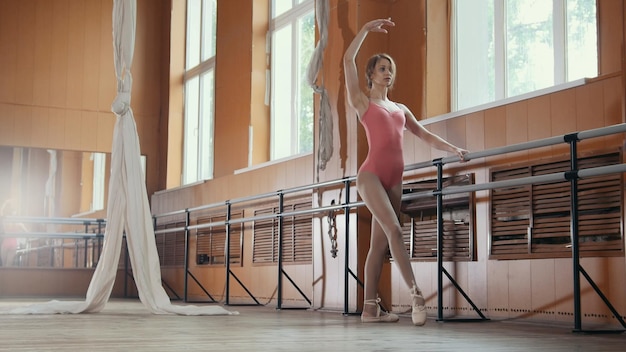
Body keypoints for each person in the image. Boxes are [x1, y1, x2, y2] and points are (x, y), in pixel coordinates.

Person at [343, 18, 468, 325]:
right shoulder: (363, 103)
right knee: (396, 230)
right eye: (383, 68)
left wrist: (453, 150)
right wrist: (365, 31)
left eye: (391, 69)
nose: (388, 73)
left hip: (394, 180)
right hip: (370, 175)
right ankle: (416, 295)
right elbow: (347, 59)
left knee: (379, 245)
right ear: (371, 74)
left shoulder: (400, 109)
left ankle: (370, 309)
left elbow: (424, 134)